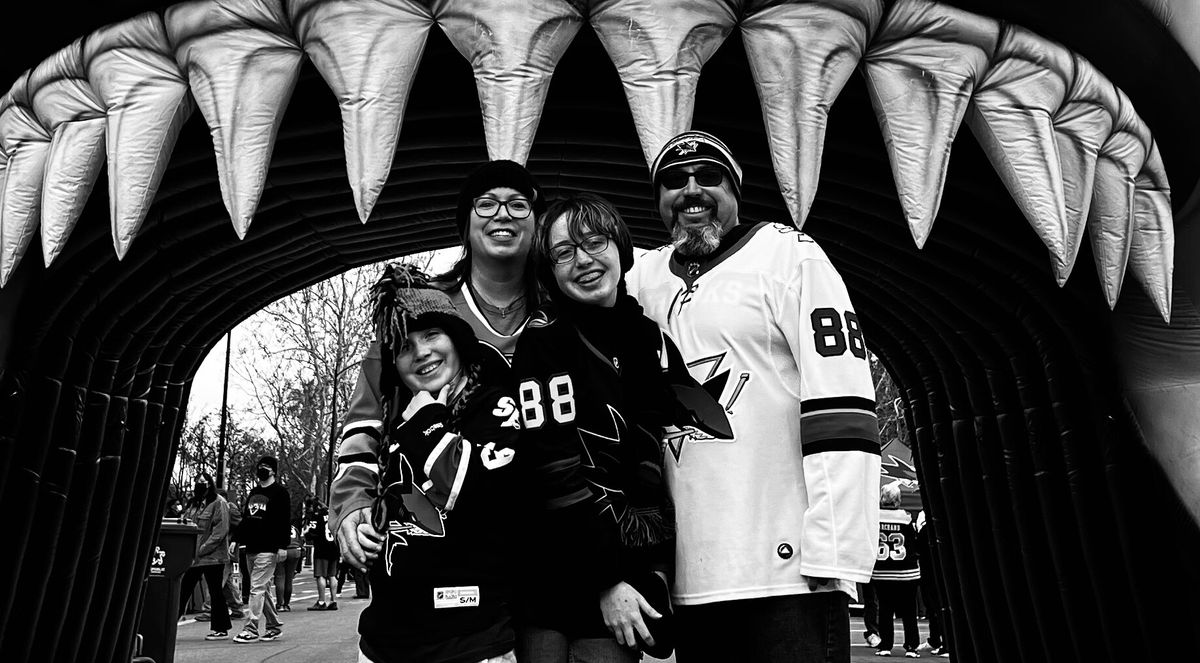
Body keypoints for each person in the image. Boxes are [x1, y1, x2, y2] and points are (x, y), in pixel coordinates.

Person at [626, 130, 882, 662]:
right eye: (673, 182)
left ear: (736, 190)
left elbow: (843, 404)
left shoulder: (789, 256)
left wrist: (835, 546)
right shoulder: (641, 278)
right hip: (694, 582)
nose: (691, 190)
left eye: (708, 177)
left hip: (788, 577)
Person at [514, 192, 720, 662]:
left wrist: (656, 573)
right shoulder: (545, 339)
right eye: (564, 252)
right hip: (558, 580)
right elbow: (553, 471)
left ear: (620, 248)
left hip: (629, 572)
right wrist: (606, 581)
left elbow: (656, 462)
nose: (583, 260)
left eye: (594, 242)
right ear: (549, 269)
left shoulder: (648, 339)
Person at [338, 159, 545, 569]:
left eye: (518, 204)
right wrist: (351, 499)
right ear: (464, 224)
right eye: (486, 204)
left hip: (553, 538)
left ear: (536, 222)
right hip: (452, 553)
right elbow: (366, 419)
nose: (502, 213)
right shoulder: (419, 309)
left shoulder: (564, 307)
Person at [329, 265, 522, 663]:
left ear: (457, 338)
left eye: (433, 334)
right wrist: (353, 516)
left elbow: (481, 492)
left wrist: (426, 423)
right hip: (384, 641)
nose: (421, 353)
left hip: (471, 641)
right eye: (403, 346)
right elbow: (362, 464)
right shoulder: (392, 414)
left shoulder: (494, 403)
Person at [232, 455, 290, 644]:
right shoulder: (254, 492)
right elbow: (246, 518)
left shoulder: (280, 493)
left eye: (265, 466)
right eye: (259, 466)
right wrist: (236, 539)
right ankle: (273, 626)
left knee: (256, 588)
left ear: (273, 470)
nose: (261, 470)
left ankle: (251, 628)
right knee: (262, 588)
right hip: (251, 547)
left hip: (269, 547)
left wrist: (282, 546)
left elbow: (284, 521)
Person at [177, 472, 233, 640]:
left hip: (212, 556)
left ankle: (220, 628)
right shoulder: (193, 503)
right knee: (183, 589)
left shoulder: (219, 503)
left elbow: (220, 531)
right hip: (193, 556)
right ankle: (168, 623)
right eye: (198, 481)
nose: (200, 484)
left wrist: (201, 549)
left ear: (210, 484)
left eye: (204, 481)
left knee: (215, 592)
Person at [871, 485, 921, 658]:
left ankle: (885, 645)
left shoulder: (874, 518)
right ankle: (911, 647)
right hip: (907, 571)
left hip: (883, 571)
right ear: (898, 500)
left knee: (885, 610)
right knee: (909, 611)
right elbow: (915, 544)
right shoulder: (906, 518)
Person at [914, 511, 949, 657]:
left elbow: (918, 549)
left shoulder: (928, 529)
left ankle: (946, 644)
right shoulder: (927, 528)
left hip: (933, 574)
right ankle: (935, 640)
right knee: (933, 609)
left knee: (940, 609)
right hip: (931, 573)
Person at [304, 500, 340, 611]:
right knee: (332, 575)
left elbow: (311, 534)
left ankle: (321, 601)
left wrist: (306, 533)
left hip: (321, 549)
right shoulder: (335, 515)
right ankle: (333, 600)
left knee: (321, 575)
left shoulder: (317, 516)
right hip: (334, 548)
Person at [273, 520, 304, 611]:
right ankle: (286, 604)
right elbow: (300, 541)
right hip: (295, 550)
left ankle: (280, 603)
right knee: (289, 578)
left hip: (282, 549)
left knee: (280, 577)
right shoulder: (293, 528)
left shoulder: (276, 526)